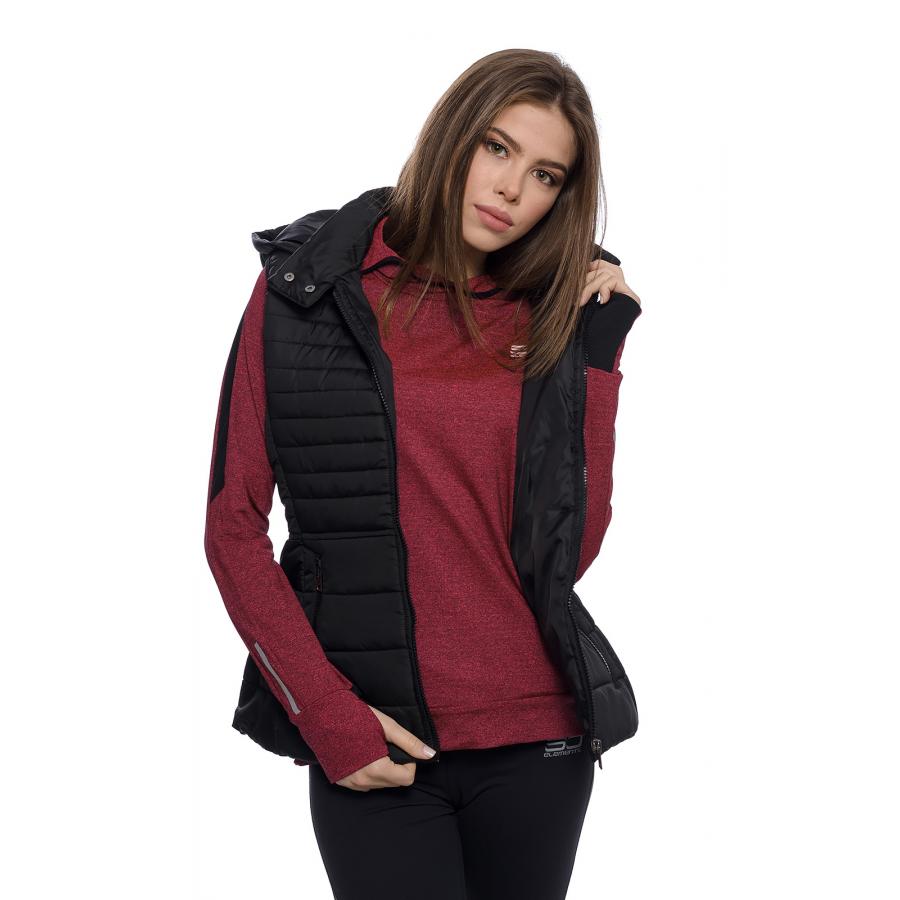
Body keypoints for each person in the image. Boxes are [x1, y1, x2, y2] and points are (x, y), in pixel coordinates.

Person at [204, 48, 643, 900]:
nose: (511, 189)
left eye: (546, 175)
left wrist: (598, 356)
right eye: (496, 147)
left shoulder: (547, 314)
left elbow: (568, 552)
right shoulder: (308, 291)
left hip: (539, 737)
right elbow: (233, 525)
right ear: (452, 135)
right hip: (380, 739)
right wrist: (328, 717)